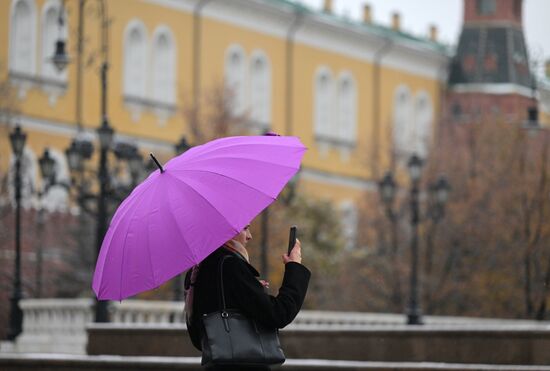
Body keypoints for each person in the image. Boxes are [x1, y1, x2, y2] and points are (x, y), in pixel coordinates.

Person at [184, 224, 311, 370]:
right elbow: (279, 314)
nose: (249, 236)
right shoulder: (231, 266)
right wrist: (294, 267)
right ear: (225, 230)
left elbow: (198, 336)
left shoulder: (196, 271)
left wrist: (250, 288)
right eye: (244, 228)